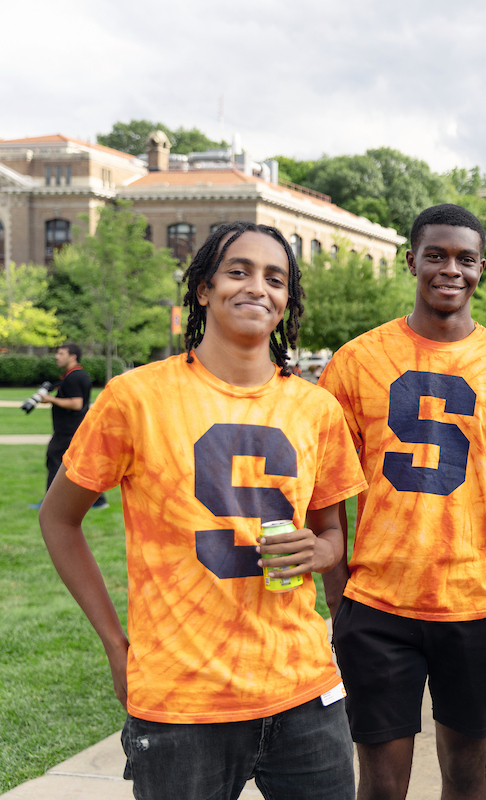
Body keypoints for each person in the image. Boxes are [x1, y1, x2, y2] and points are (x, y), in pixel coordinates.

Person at [39, 222, 367, 799]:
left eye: (276, 278)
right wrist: (117, 646)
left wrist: (318, 551)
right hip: (181, 696)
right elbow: (58, 518)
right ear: (204, 289)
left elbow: (333, 537)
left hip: (302, 686)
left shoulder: (317, 409)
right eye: (238, 271)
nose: (257, 288)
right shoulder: (135, 397)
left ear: (288, 299)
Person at [318, 204, 486, 800]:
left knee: (466, 768)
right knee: (380, 779)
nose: (450, 269)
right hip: (378, 603)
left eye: (465, 259)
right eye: (437, 255)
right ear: (412, 261)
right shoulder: (356, 361)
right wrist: (337, 588)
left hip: (476, 603)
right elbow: (323, 483)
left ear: (482, 268)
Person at [30, 343, 108, 511]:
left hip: (68, 430)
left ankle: (50, 504)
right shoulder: (76, 375)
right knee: (81, 463)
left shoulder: (74, 377)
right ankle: (99, 500)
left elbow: (76, 403)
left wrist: (50, 399)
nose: (57, 356)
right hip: (75, 429)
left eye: (61, 353)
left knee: (54, 460)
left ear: (72, 357)